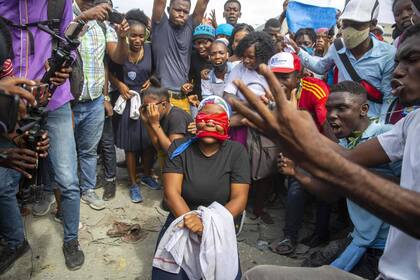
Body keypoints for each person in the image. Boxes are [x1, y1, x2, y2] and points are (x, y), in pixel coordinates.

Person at [232, 23, 420, 280]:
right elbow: (346, 163)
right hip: (378, 258)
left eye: (412, 59)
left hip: (375, 251)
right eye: (398, 61)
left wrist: (312, 153)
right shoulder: (411, 123)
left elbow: (343, 170)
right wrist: (301, 149)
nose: (397, 71)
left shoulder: (379, 127)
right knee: (259, 275)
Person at [279, 81, 401, 279]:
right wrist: (296, 173)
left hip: (388, 247)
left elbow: (407, 187)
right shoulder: (344, 143)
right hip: (359, 239)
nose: (331, 115)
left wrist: (310, 138)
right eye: (328, 109)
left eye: (341, 108)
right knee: (309, 267)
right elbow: (330, 194)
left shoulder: (387, 135)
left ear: (364, 110)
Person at [0, 0, 86, 270]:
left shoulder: (59, 3)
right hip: (10, 103)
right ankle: (15, 241)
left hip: (55, 101)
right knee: (3, 184)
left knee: (68, 179)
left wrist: (65, 67)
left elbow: (70, 46)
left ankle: (71, 239)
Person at [152, 96, 250, 279]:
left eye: (218, 117)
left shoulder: (237, 152)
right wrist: (192, 222)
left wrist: (208, 226)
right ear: (196, 121)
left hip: (219, 225)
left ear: (227, 123)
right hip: (181, 218)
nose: (211, 122)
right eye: (205, 116)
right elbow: (171, 194)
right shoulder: (179, 148)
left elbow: (239, 198)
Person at [268, 52, 332, 253]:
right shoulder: (273, 95)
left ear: (300, 75)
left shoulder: (315, 89)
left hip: (325, 147)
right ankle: (290, 237)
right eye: (275, 76)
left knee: (323, 192)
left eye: (285, 77)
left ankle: (321, 235)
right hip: (299, 149)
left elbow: (328, 126)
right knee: (295, 189)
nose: (280, 82)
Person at [293, 0, 396, 122]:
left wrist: (380, 128)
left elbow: (388, 97)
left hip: (371, 123)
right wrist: (298, 51)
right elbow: (320, 67)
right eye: (346, 24)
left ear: (373, 24)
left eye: (357, 25)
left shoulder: (388, 54)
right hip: (341, 121)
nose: (349, 30)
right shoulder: (337, 47)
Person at [72, 0, 129, 211]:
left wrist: (122, 38)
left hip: (95, 100)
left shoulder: (103, 25)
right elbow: (60, 40)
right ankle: (61, 194)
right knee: (66, 152)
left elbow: (117, 57)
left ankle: (86, 189)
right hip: (67, 101)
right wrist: (85, 17)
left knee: (88, 151)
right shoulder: (63, 11)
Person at [110, 9, 160, 204]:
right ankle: (133, 183)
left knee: (147, 142)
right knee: (130, 147)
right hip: (128, 101)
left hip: (146, 102)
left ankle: (146, 174)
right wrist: (119, 84)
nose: (137, 40)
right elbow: (110, 71)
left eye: (141, 36)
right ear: (127, 35)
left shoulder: (150, 50)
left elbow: (157, 71)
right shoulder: (120, 51)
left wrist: (152, 80)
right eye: (133, 36)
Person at [151, 0, 210, 114]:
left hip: (183, 98)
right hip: (160, 97)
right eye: (177, 10)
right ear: (168, 10)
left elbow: (203, 3)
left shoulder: (190, 26)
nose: (181, 14)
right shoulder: (160, 24)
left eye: (185, 11)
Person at [141, 79, 193, 165]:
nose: (149, 110)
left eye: (151, 107)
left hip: (187, 164)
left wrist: (155, 124)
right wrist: (147, 123)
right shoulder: (159, 116)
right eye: (145, 107)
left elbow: (173, 152)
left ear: (164, 104)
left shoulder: (176, 117)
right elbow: (158, 147)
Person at [189, 24, 215, 100]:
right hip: (197, 101)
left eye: (205, 42)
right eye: (198, 43)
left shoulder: (220, 57)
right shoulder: (193, 57)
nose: (200, 46)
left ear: (213, 42)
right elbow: (190, 78)